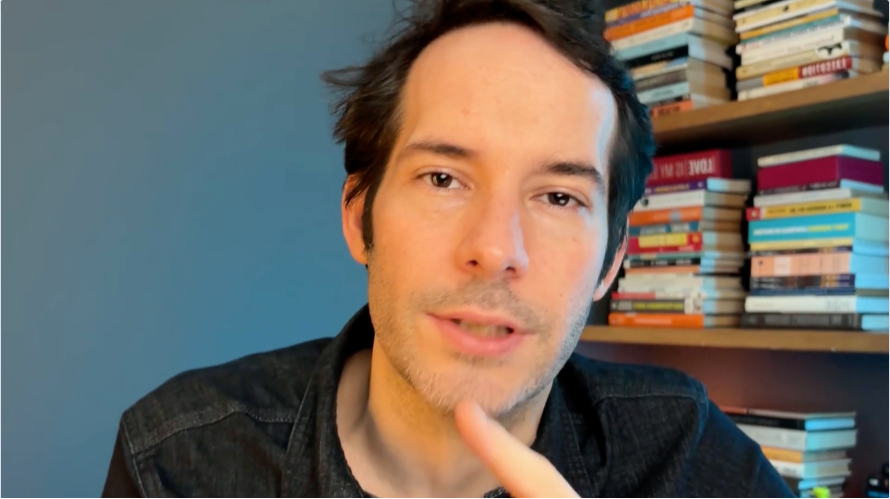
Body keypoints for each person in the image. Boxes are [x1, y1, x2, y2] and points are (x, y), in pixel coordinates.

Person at [101, 0, 795, 497]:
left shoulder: (687, 453)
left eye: (559, 197)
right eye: (443, 178)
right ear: (359, 219)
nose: (494, 249)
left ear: (610, 263)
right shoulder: (179, 458)